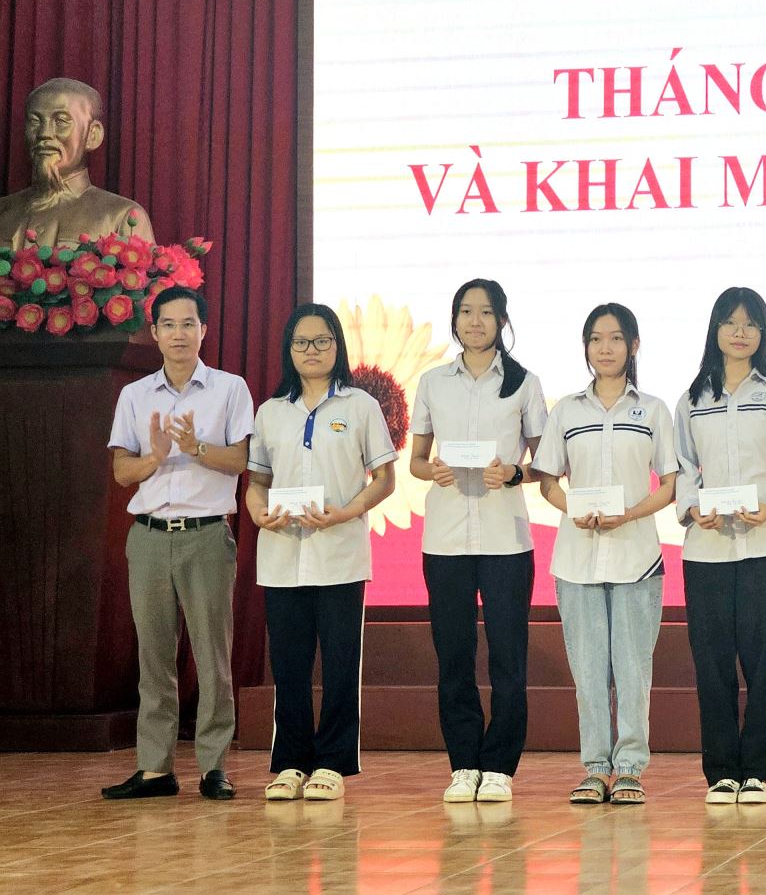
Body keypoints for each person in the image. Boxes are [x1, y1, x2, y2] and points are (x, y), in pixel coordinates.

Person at [102, 285, 253, 801]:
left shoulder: (230, 389)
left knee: (212, 657)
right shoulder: (135, 395)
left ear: (204, 329)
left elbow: (242, 461)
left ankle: (214, 767)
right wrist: (155, 457)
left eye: (189, 323)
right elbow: (121, 472)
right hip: (147, 538)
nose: (179, 334)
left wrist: (196, 447)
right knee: (153, 658)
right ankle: (155, 768)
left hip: (206, 536)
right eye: (168, 325)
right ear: (155, 332)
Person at [244, 303, 397, 802]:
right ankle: (290, 763)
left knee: (339, 665)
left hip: (340, 555)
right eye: (301, 342)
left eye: (322, 341)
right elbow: (257, 482)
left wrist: (346, 512)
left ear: (337, 346)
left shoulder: (360, 406)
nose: (311, 350)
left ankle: (332, 763)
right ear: (288, 350)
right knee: (288, 667)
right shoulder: (270, 411)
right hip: (281, 557)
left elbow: (385, 479)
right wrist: (257, 512)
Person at [533, 303, 677, 806]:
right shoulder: (567, 411)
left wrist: (630, 513)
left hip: (637, 557)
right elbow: (547, 479)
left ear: (633, 345)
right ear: (586, 347)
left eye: (616, 338)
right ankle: (595, 768)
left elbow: (671, 484)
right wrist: (573, 508)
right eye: (596, 339)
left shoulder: (653, 410)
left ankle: (631, 768)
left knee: (633, 670)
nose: (606, 348)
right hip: (577, 560)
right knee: (589, 672)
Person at [409, 279, 545, 803]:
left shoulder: (524, 383)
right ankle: (464, 763)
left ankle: (501, 766)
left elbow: (547, 464)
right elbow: (417, 461)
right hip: (445, 538)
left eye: (486, 312)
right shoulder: (433, 382)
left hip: (505, 537)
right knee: (454, 655)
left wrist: (513, 472)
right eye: (465, 311)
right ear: (455, 319)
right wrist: (433, 471)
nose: (474, 321)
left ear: (502, 321)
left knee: (508, 656)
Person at [674, 287, 766, 805]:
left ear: (762, 333)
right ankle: (722, 771)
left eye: (751, 324)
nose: (740, 332)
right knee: (711, 664)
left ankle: (759, 771)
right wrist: (693, 509)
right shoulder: (692, 399)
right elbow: (683, 469)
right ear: (715, 330)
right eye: (730, 323)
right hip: (707, 550)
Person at [0, 77, 155, 249]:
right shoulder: (3, 211)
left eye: (61, 121)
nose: (44, 133)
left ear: (93, 135)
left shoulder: (123, 216)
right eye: (35, 121)